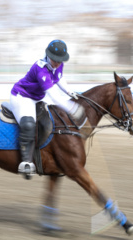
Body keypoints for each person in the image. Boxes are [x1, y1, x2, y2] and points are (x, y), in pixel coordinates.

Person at [9, 39, 84, 179]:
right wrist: (72, 108)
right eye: (54, 59)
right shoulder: (41, 69)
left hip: (38, 97)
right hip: (22, 97)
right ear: (47, 55)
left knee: (54, 118)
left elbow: (59, 78)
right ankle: (26, 162)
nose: (57, 63)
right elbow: (54, 96)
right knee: (28, 124)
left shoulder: (58, 65)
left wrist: (69, 92)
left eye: (60, 60)